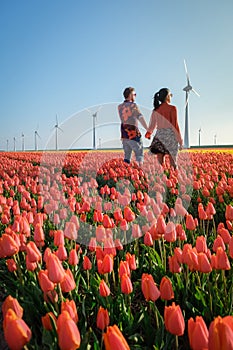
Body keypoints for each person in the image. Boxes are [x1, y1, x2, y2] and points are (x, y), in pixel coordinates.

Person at [145, 88, 183, 169]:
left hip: (160, 136)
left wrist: (148, 134)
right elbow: (175, 125)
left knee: (160, 163)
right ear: (167, 97)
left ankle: (162, 180)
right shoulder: (172, 108)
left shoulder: (156, 110)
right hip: (170, 136)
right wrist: (180, 140)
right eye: (170, 95)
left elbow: (152, 125)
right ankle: (174, 179)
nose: (171, 97)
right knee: (173, 163)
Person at [118, 87, 148, 167]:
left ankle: (126, 173)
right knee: (139, 155)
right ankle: (140, 173)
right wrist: (147, 129)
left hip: (124, 135)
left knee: (127, 157)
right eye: (134, 94)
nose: (135, 96)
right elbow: (140, 117)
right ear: (130, 95)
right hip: (133, 134)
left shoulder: (120, 107)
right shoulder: (133, 105)